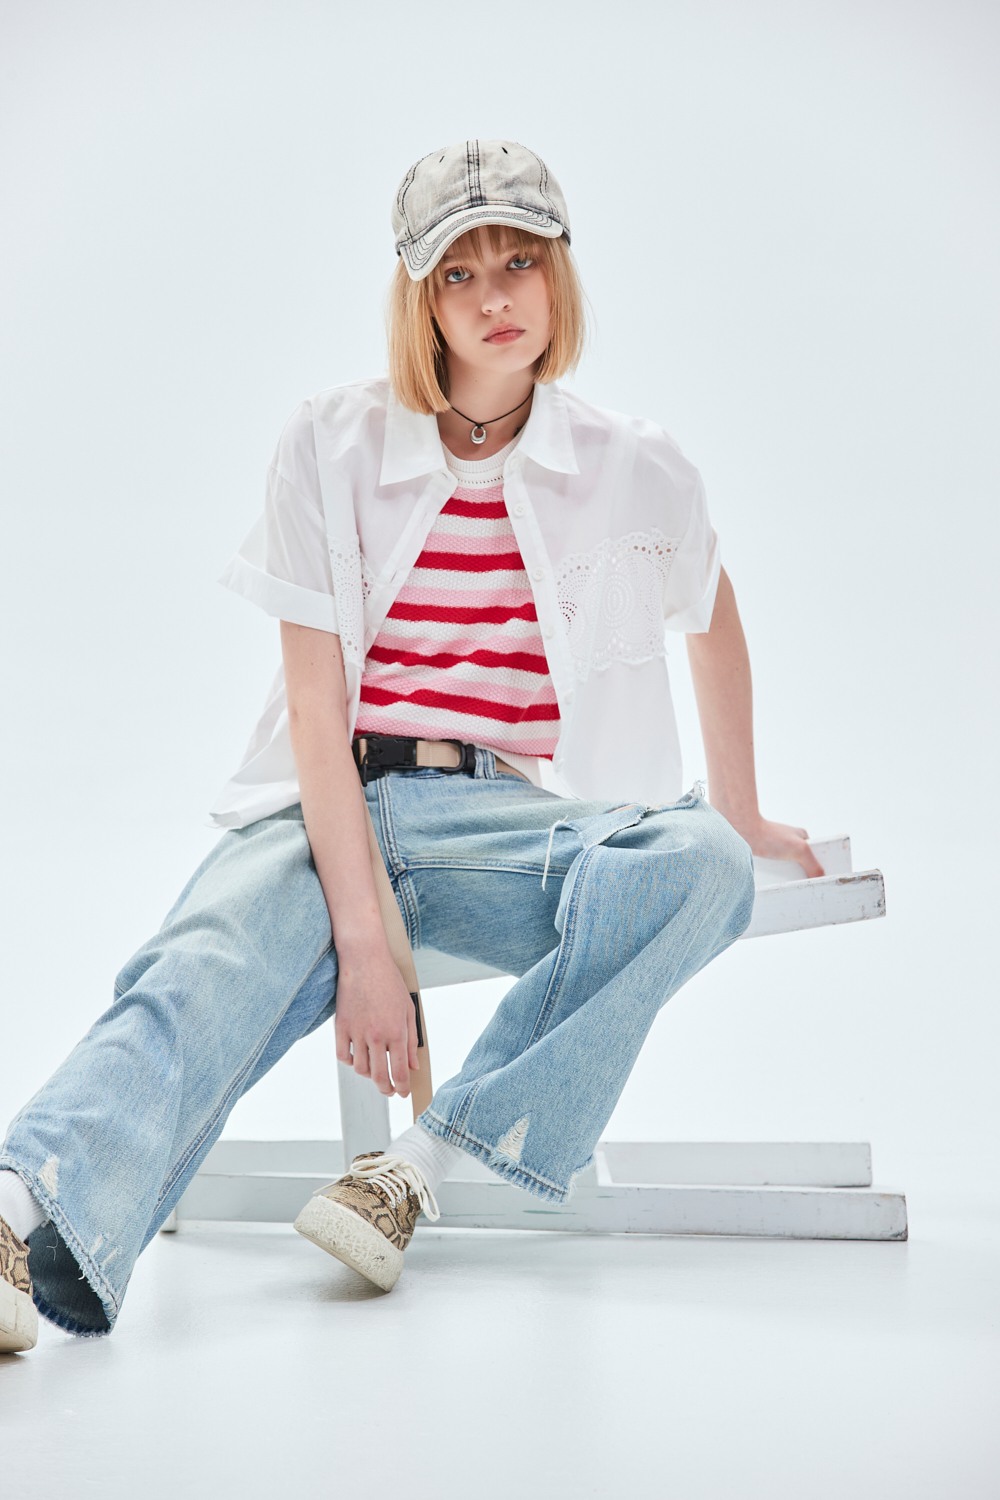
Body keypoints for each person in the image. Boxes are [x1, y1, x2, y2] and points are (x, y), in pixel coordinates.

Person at [0, 138, 823, 1352]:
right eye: (458, 273)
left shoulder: (632, 461)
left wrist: (738, 813)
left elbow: (709, 613)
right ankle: (19, 1217)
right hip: (326, 803)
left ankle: (415, 1170)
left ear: (558, 275)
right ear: (418, 297)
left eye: (519, 263)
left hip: (502, 824)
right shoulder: (327, 444)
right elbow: (316, 709)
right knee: (199, 967)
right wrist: (364, 947)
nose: (495, 298)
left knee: (699, 863)